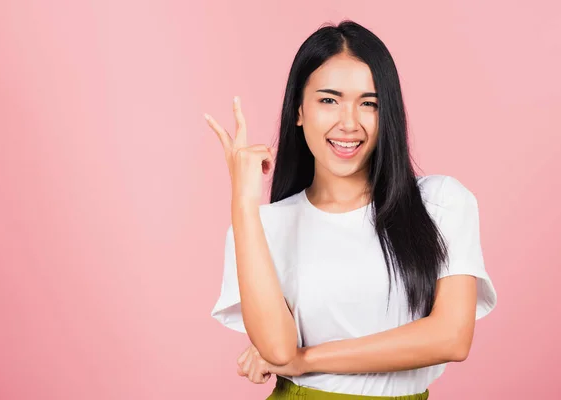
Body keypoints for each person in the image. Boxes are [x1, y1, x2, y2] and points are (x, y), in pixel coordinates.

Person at [206, 20, 497, 399]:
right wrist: (243, 202)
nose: (349, 123)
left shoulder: (440, 202)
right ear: (298, 110)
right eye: (329, 100)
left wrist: (306, 358)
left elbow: (452, 337)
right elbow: (278, 350)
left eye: (369, 104)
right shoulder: (264, 226)